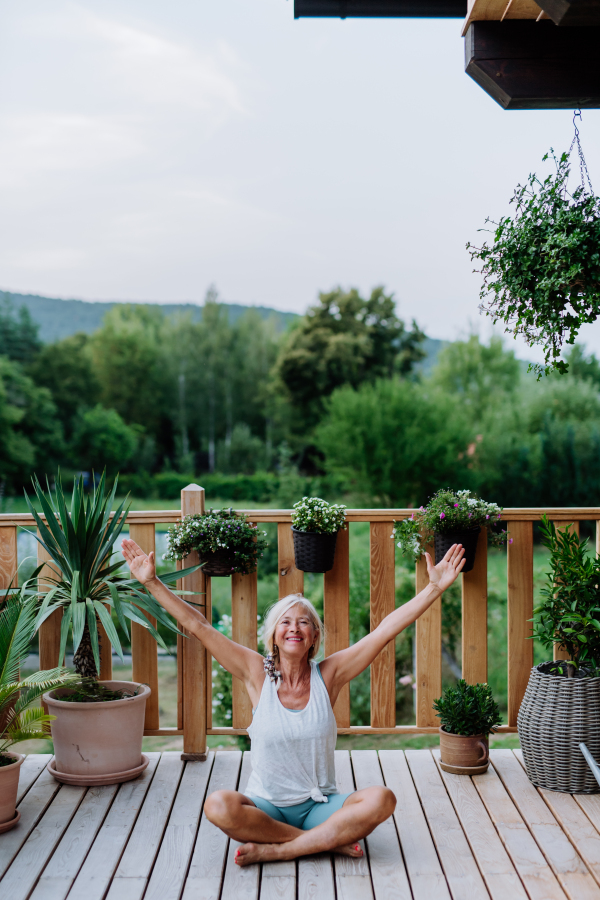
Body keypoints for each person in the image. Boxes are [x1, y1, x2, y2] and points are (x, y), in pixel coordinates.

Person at [121, 537, 465, 866]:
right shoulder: (255, 672)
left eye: (304, 622)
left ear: (314, 636)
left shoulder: (329, 674)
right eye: (285, 622)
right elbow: (198, 626)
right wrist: (152, 583)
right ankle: (326, 840)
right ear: (273, 635)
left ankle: (281, 850)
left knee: (382, 799)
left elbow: (384, 631)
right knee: (219, 806)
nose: (294, 628)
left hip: (320, 805)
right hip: (267, 806)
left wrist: (434, 588)